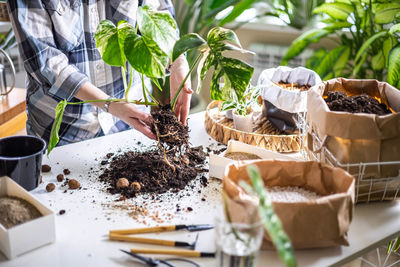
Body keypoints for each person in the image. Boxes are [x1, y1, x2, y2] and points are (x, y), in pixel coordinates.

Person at [7, 0, 192, 145]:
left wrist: (178, 62)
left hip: (133, 124)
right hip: (65, 130)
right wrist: (109, 104)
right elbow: (45, 60)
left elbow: (159, 18)